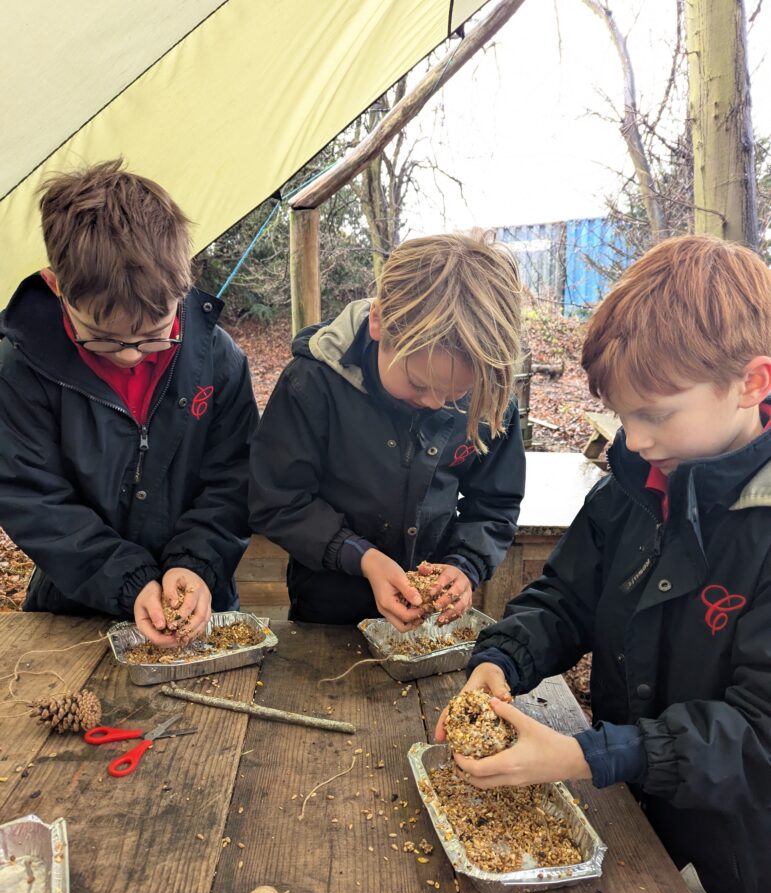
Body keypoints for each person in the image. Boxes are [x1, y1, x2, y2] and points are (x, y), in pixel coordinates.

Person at [436, 234, 771, 893]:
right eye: (621, 414)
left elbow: (757, 737)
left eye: (654, 414)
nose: (635, 438)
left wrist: (590, 757)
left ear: (753, 383)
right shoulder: (635, 481)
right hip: (638, 819)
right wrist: (505, 655)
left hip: (746, 859)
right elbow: (567, 597)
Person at [0, 160, 257, 645]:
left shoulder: (218, 361)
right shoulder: (19, 369)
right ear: (57, 287)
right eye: (101, 340)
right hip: (72, 614)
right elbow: (31, 498)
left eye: (155, 337)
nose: (131, 356)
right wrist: (127, 579)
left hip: (201, 610)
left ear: (182, 290)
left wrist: (199, 563)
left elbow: (234, 480)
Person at [249, 232, 526, 630]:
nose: (434, 403)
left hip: (432, 623)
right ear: (379, 321)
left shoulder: (488, 396)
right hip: (328, 612)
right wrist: (362, 557)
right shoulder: (311, 383)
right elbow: (277, 501)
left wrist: (465, 565)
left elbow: (495, 503)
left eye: (455, 395)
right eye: (418, 383)